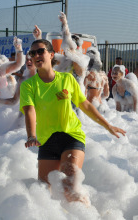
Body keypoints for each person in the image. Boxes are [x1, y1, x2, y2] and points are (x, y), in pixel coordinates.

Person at [20, 39, 126, 204]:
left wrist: (108, 125)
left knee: (71, 184)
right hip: (45, 140)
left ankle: (86, 214)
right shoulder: (28, 85)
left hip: (71, 136)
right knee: (43, 194)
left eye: (40, 51)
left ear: (51, 54)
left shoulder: (67, 79)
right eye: (32, 53)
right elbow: (29, 110)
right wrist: (31, 135)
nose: (36, 55)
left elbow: (84, 105)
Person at [54, 12, 90, 94]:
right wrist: (38, 38)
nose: (65, 49)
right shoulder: (63, 60)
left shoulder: (79, 62)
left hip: (75, 100)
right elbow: (46, 58)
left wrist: (65, 24)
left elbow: (77, 64)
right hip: (62, 96)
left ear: (76, 48)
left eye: (68, 47)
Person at [84, 46, 109, 112]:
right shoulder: (104, 76)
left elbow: (83, 95)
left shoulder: (88, 76)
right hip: (100, 106)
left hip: (90, 107)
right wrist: (98, 97)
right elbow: (106, 94)